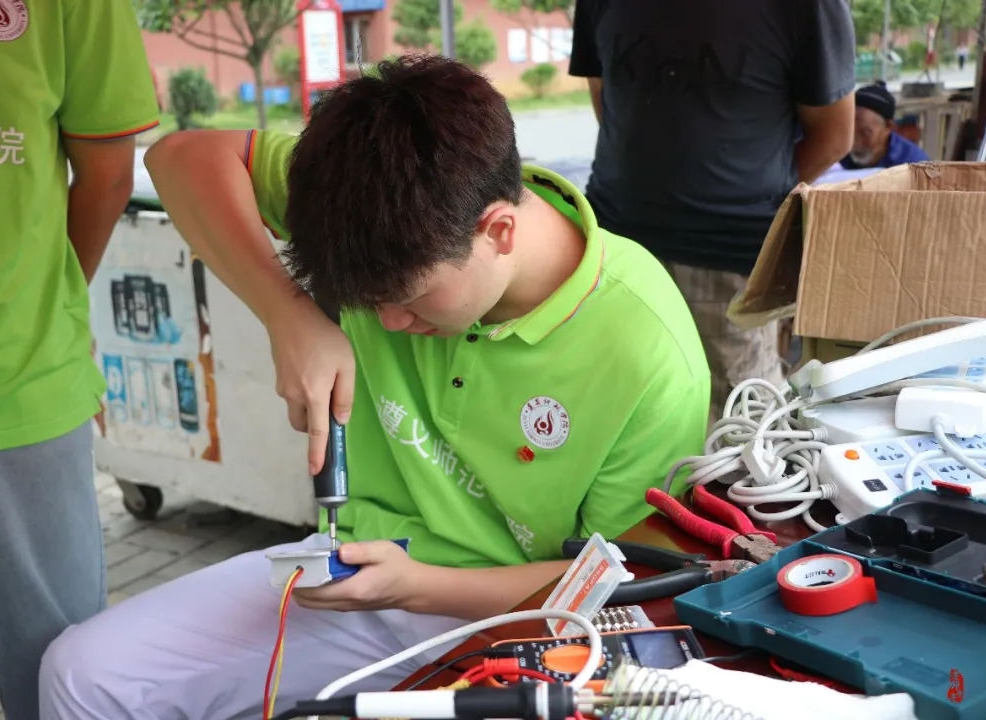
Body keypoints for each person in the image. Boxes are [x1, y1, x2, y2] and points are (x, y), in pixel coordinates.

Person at [38, 55, 710, 719]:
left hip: (516, 621)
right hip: (353, 577)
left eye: (409, 300)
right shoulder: (366, 189)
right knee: (83, 674)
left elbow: (622, 579)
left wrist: (419, 587)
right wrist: (287, 314)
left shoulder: (649, 352)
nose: (387, 323)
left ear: (498, 231)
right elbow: (182, 157)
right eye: (365, 301)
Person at [0, 3, 159, 719]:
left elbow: (107, 174)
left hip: (10, 373)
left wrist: (45, 304)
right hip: (11, 360)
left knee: (59, 678)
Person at [569, 0, 857, 419]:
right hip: (615, 246)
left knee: (737, 426)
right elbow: (607, 97)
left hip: (725, 259)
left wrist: (747, 193)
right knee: (617, 409)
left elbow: (834, 135)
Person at [841, 82, 931, 170]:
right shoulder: (839, 151)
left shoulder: (914, 164)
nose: (855, 143)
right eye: (850, 132)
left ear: (888, 127)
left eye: (865, 133)